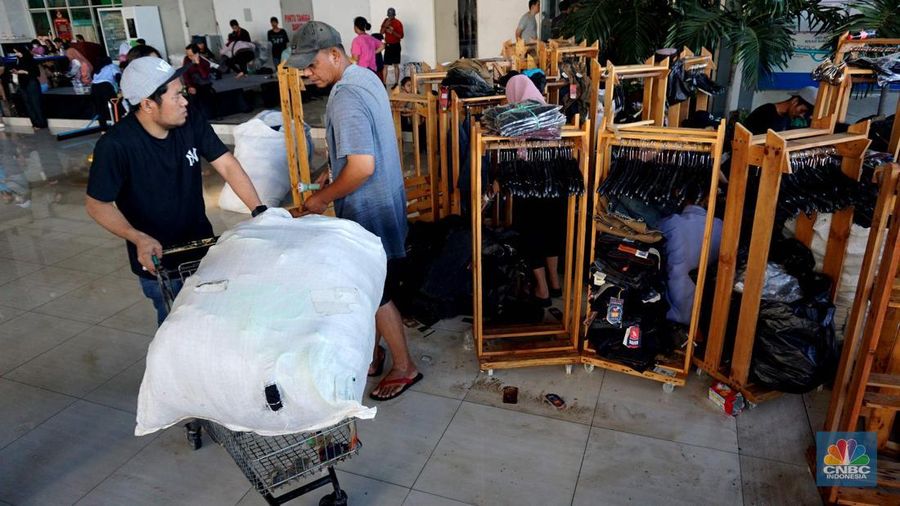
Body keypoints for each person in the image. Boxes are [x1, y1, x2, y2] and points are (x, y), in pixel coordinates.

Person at [287, 21, 421, 401]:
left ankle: (404, 366)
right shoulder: (366, 77)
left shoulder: (344, 98)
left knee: (375, 292)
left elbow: (362, 166)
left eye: (311, 65)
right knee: (369, 288)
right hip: (386, 201)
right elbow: (361, 152)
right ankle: (372, 355)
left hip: (369, 208)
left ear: (334, 54)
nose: (307, 74)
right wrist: (332, 170)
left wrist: (322, 197)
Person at [85, 56, 265, 326]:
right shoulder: (117, 145)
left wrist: (259, 210)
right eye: (176, 96)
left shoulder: (189, 121)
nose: (185, 101)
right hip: (160, 263)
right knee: (176, 329)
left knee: (212, 322)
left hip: (201, 251)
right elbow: (97, 204)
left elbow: (226, 164)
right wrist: (136, 237)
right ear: (147, 104)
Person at [505, 74, 564, 306]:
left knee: (530, 235)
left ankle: (542, 291)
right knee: (551, 232)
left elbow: (517, 154)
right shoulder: (551, 113)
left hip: (530, 185)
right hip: (556, 183)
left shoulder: (518, 117)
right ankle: (555, 283)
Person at [743, 86, 817, 135]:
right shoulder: (765, 112)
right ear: (795, 101)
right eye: (802, 111)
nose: (801, 116)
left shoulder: (787, 118)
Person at [10, 47, 47, 129]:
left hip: (31, 83)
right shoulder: (18, 61)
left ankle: (41, 123)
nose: (16, 54)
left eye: (17, 52)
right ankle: (35, 123)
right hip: (23, 84)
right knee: (28, 104)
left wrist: (24, 72)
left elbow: (36, 73)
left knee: (35, 103)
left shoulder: (30, 60)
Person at [183, 44, 215, 120]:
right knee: (190, 95)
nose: (189, 57)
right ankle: (195, 117)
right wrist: (190, 86)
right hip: (192, 84)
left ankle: (209, 115)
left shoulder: (205, 62)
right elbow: (185, 74)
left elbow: (205, 76)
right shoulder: (187, 59)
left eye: (191, 55)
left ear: (197, 54)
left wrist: (198, 64)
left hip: (204, 84)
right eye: (188, 55)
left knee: (207, 94)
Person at [91, 57, 121, 129]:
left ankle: (103, 128)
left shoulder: (98, 69)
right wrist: (120, 88)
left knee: (100, 108)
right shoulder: (112, 66)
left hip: (94, 87)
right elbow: (118, 76)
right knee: (115, 106)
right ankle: (117, 124)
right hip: (105, 86)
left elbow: (93, 78)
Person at [379, 8, 404, 85]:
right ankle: (384, 83)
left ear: (394, 15)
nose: (390, 17)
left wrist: (392, 32)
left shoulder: (398, 23)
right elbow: (381, 33)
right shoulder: (385, 21)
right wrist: (385, 26)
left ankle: (396, 83)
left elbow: (401, 36)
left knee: (396, 65)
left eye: (391, 15)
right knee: (385, 65)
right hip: (388, 46)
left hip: (396, 46)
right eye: (389, 15)